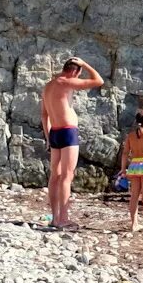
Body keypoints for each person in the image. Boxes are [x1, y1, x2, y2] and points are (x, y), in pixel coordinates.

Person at [41, 56, 104, 230]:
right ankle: (63, 219)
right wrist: (85, 63)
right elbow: (99, 81)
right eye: (79, 72)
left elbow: (44, 115)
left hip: (54, 132)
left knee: (55, 176)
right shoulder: (67, 82)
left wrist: (47, 137)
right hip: (68, 132)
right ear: (75, 71)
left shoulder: (48, 86)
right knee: (67, 176)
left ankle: (55, 218)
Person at [116, 110, 143, 232]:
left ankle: (134, 224)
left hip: (134, 165)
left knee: (134, 195)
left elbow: (125, 153)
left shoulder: (130, 135)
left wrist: (123, 168)